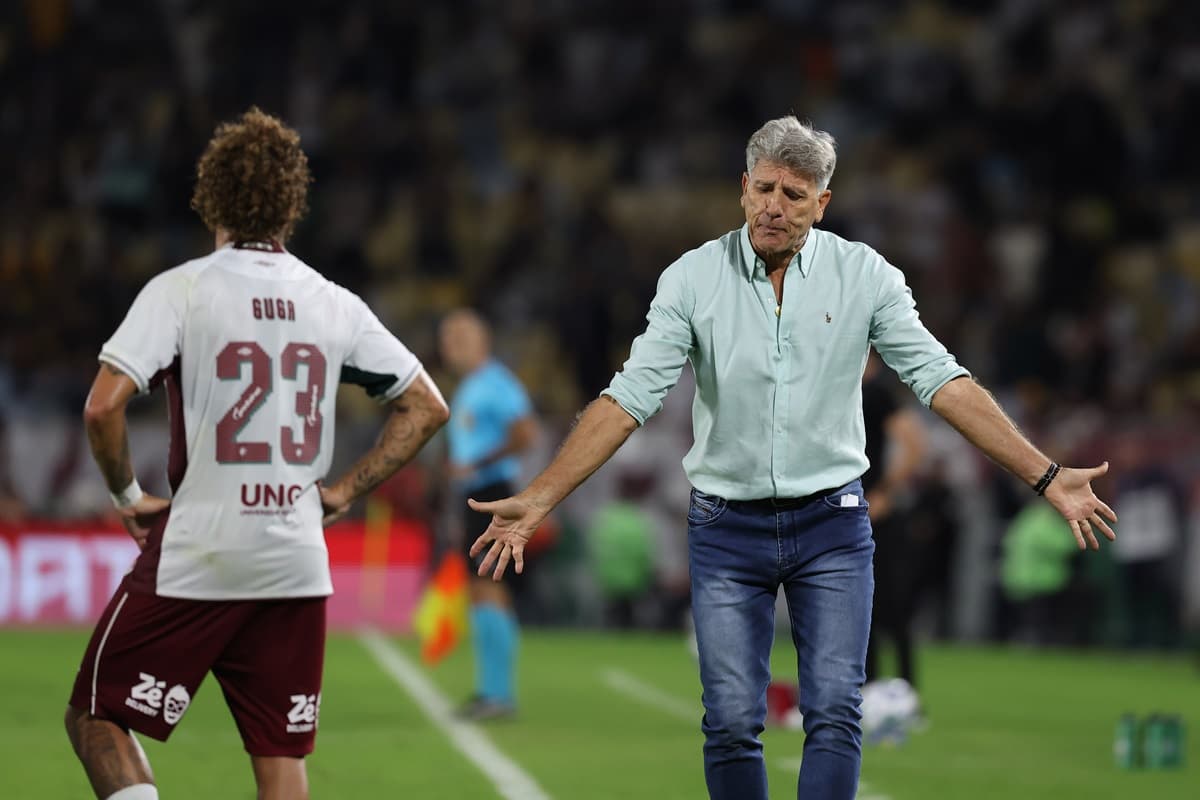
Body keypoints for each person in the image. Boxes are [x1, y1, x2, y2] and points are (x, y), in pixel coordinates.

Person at [467, 115, 1117, 800]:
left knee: (836, 713)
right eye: (766, 188)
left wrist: (1043, 474)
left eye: (795, 194)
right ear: (743, 188)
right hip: (726, 528)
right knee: (729, 722)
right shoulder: (692, 279)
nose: (776, 205)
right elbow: (628, 398)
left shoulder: (864, 275)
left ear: (822, 204)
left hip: (832, 526)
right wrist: (540, 495)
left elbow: (942, 381)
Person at [64, 108, 449, 800]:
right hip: (295, 558)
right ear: (291, 207)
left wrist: (126, 498)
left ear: (210, 196)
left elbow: (103, 405)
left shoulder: (182, 290)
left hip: (202, 549)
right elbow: (426, 405)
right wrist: (345, 490)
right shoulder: (335, 302)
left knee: (97, 716)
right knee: (279, 760)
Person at [438, 309, 537, 720]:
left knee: (491, 588)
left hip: (493, 493)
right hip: (474, 494)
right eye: (448, 337)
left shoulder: (497, 383)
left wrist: (477, 463)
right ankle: (490, 690)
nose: (451, 345)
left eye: (460, 337)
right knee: (480, 590)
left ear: (482, 341)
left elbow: (525, 434)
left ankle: (499, 694)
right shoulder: (472, 386)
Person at [861, 352, 928, 690]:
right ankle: (868, 685)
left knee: (889, 600)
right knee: (861, 602)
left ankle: (905, 688)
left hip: (875, 513)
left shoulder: (877, 392)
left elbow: (914, 443)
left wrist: (885, 490)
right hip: (851, 508)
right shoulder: (849, 390)